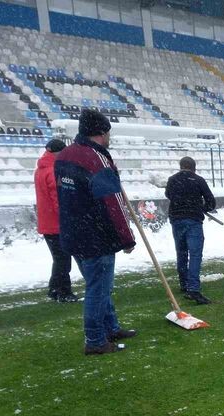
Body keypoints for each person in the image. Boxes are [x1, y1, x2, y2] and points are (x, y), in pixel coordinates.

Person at [56, 108, 137, 355]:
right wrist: (127, 237)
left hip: (73, 233)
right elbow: (112, 203)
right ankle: (95, 341)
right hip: (95, 236)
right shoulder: (96, 159)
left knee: (98, 285)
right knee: (98, 289)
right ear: (102, 132)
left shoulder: (64, 156)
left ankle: (110, 327)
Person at [165, 156, 216, 305]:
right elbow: (211, 202)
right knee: (195, 254)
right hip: (193, 220)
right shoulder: (198, 180)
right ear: (194, 168)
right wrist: (202, 207)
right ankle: (193, 288)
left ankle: (184, 284)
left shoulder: (172, 179)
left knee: (181, 253)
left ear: (181, 166)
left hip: (176, 220)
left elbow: (168, 195)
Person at [35, 137, 78, 302]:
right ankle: (63, 292)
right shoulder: (54, 170)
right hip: (56, 223)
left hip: (47, 222)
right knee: (63, 259)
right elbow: (58, 199)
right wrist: (69, 217)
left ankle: (54, 288)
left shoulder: (41, 169)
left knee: (59, 258)